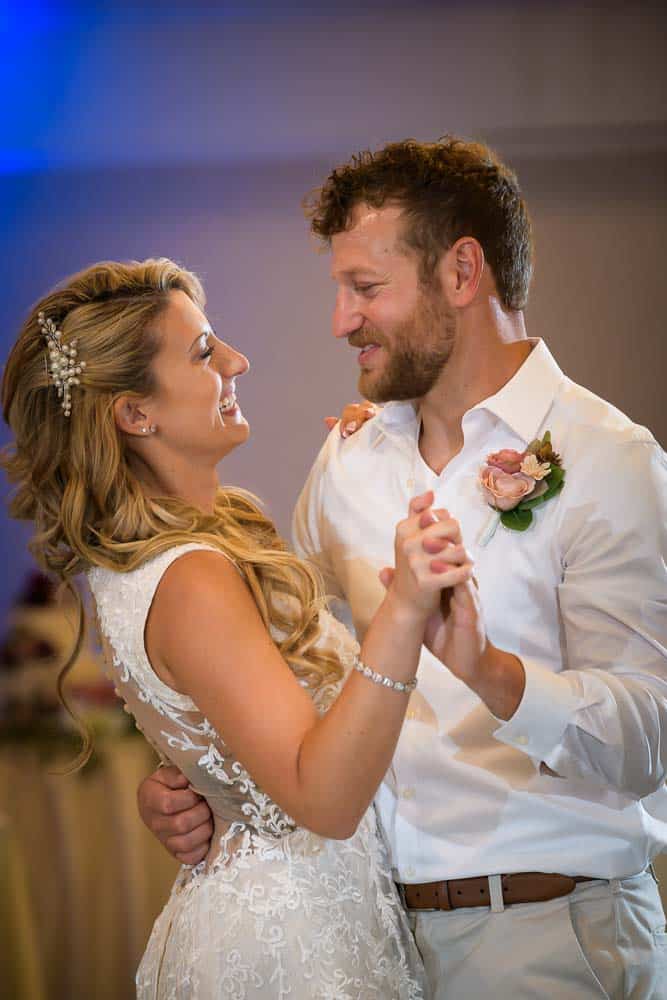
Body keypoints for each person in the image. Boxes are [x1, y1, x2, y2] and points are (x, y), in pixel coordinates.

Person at [139, 138, 667, 998]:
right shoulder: (349, 460)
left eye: (366, 288)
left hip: (548, 937)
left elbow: (653, 737)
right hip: (365, 938)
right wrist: (191, 778)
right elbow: (279, 665)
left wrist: (490, 672)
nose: (341, 320)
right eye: (341, 288)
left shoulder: (608, 459)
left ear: (462, 273)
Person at [1, 258, 491, 998]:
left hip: (307, 912)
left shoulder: (145, 565)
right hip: (286, 943)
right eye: (202, 352)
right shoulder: (190, 577)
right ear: (135, 414)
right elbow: (321, 799)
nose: (237, 360)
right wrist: (405, 609)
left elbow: (231, 738)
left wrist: (187, 787)